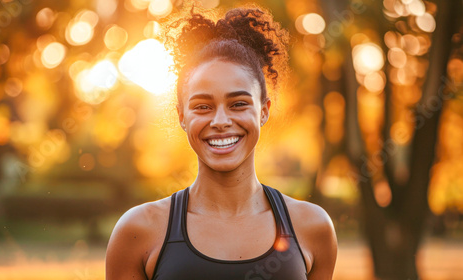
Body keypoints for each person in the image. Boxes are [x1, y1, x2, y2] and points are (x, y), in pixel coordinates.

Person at [106, 4, 337, 280]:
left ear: (264, 110)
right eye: (202, 106)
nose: (220, 121)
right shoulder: (138, 231)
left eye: (238, 103)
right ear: (182, 116)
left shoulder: (312, 227)